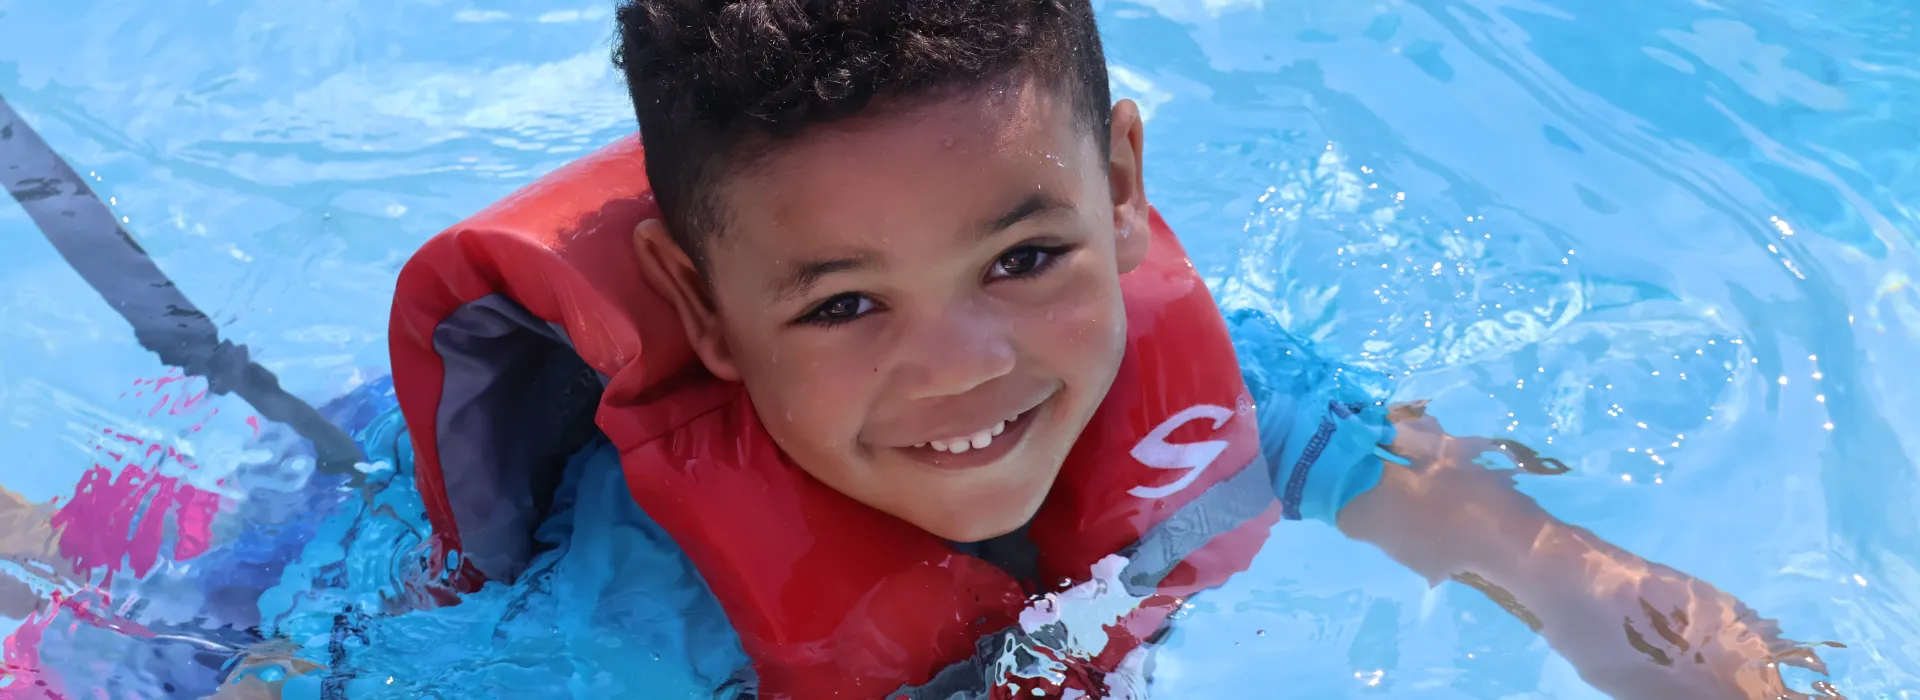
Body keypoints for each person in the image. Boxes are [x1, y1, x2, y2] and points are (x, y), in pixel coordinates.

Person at [246, 0, 1828, 697]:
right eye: (845, 302)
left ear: (1124, 192)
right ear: (703, 306)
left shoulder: (1216, 391)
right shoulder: (624, 635)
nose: (970, 371)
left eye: (1024, 256)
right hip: (325, 578)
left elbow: (1573, 581)